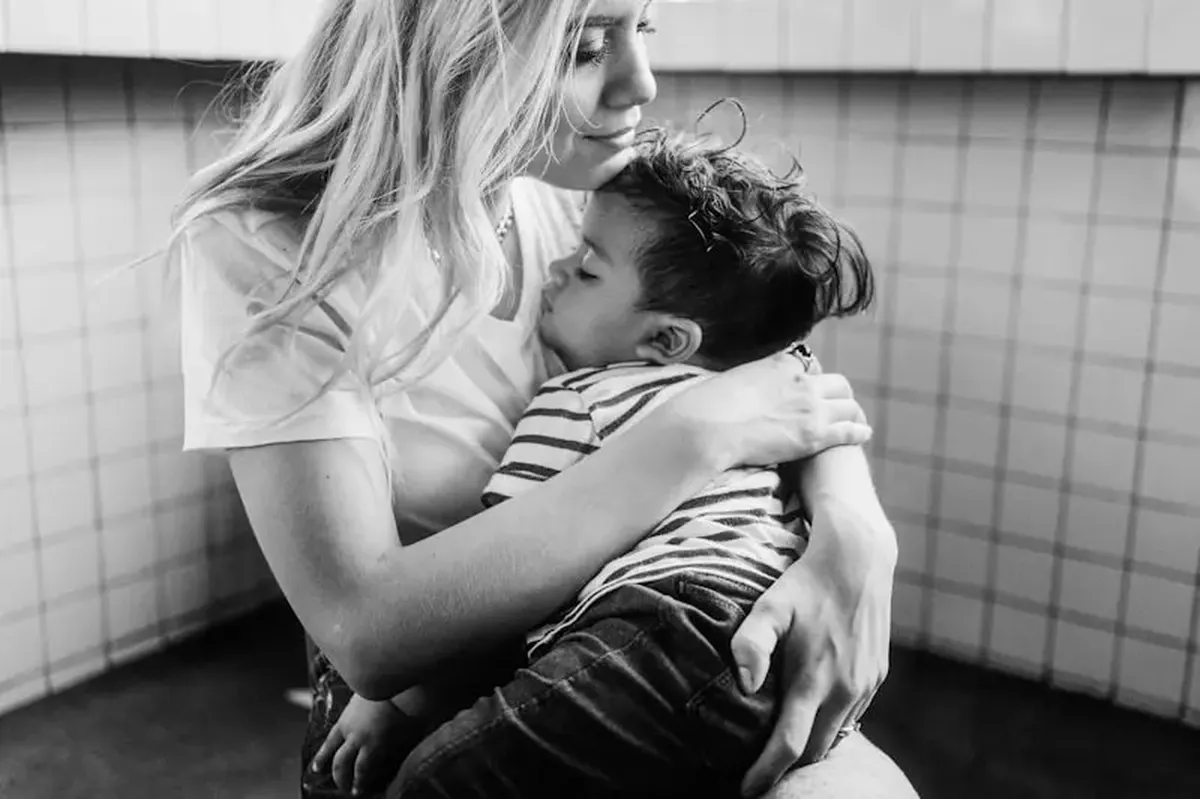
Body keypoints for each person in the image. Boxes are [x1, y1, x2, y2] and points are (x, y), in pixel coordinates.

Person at [170, 1, 910, 798]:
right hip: (425, 689)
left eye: (643, 29)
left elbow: (765, 349)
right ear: (451, 48)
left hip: (673, 639)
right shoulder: (268, 239)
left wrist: (855, 533)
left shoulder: (580, 179)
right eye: (586, 47)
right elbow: (367, 631)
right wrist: (690, 437)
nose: (641, 81)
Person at [310, 126, 877, 798]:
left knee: (427, 780)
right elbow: (801, 387)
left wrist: (394, 703)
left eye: (584, 270)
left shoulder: (577, 401)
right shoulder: (742, 396)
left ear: (666, 338)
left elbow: (504, 583)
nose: (557, 270)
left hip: (660, 633)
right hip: (772, 649)